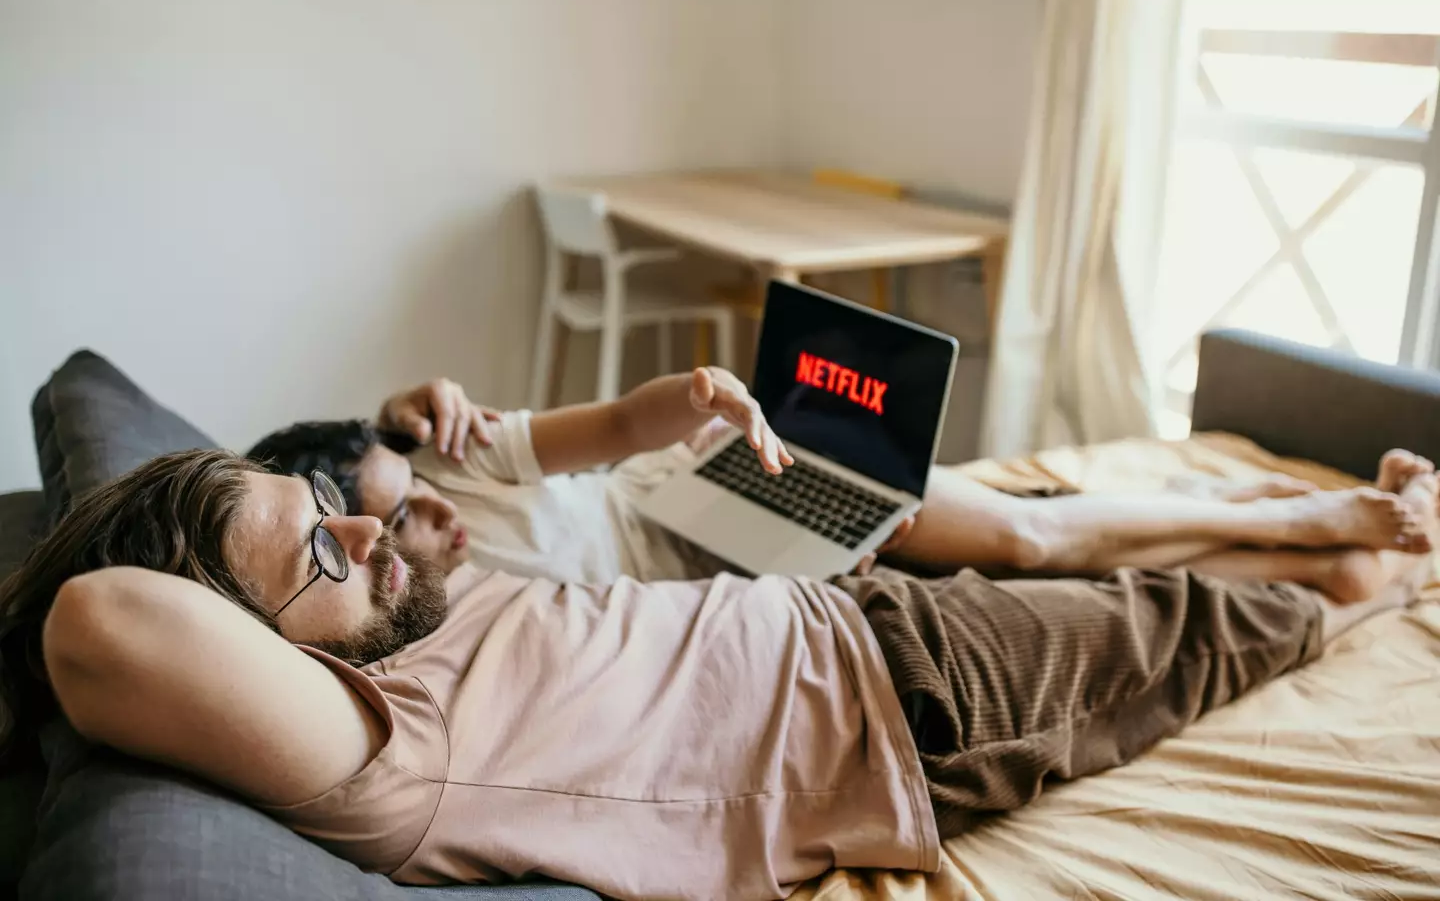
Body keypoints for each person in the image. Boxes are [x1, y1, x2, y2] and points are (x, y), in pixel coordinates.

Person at [4, 447, 1433, 900]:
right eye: (317, 550)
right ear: (247, 657)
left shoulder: (394, 639)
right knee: (1215, 623)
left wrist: (372, 549)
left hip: (834, 617)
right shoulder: (373, 755)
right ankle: (1390, 560)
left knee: (1034, 534)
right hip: (914, 708)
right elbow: (98, 622)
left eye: (323, 498)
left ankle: (1299, 516)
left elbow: (378, 532)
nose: (359, 532)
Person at [248, 370, 1432, 604]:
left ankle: (1306, 517)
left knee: (1021, 535)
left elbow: (616, 424)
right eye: (401, 519)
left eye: (414, 483)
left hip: (697, 479)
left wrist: (705, 395)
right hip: (744, 571)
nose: (433, 510)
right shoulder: (421, 617)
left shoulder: (461, 459)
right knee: (1021, 548)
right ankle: (1306, 549)